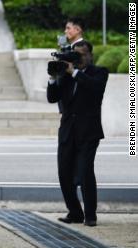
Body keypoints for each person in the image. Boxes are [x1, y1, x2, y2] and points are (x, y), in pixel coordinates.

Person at [47, 41, 108, 227]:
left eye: (81, 54)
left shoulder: (99, 72)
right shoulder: (66, 75)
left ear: (90, 55)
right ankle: (75, 212)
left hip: (88, 132)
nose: (78, 57)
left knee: (84, 173)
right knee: (64, 174)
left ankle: (90, 215)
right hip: (67, 131)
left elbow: (95, 89)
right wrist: (52, 78)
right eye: (75, 53)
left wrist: (74, 71)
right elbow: (52, 98)